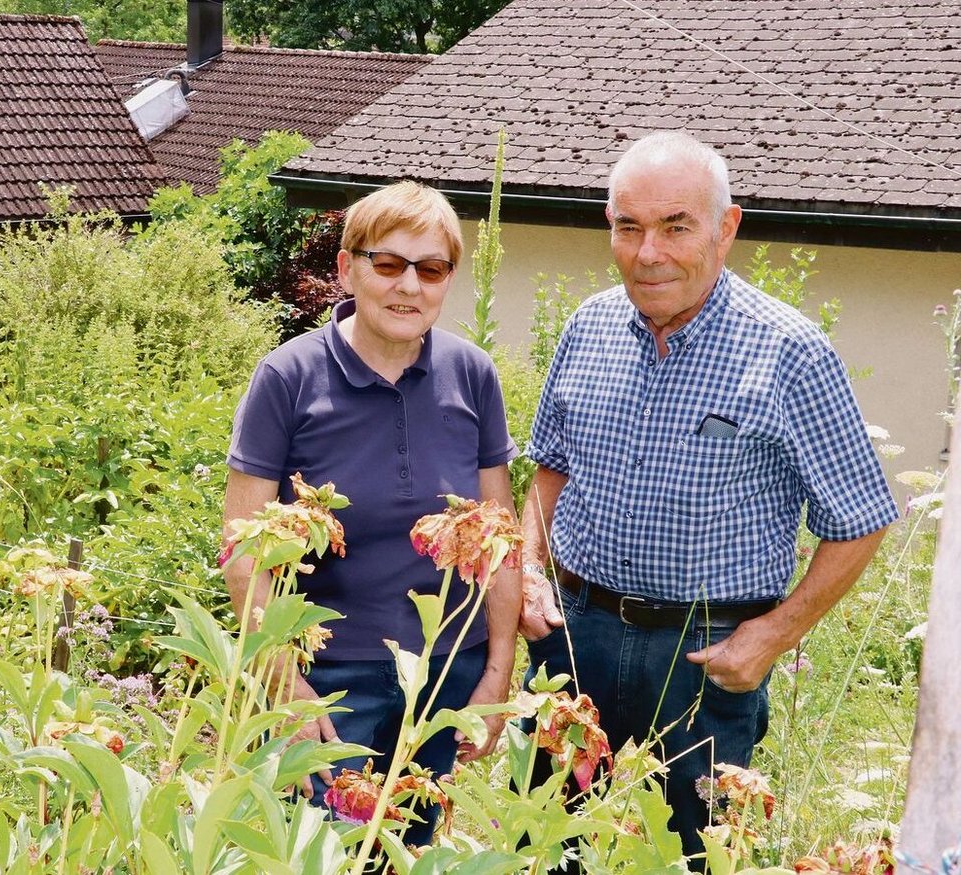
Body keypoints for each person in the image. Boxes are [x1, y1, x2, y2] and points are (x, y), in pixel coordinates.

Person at [517, 131, 898, 856]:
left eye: (675, 226)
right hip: (576, 640)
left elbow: (862, 518)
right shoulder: (587, 326)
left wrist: (771, 637)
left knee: (699, 856)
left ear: (726, 229)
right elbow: (551, 469)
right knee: (544, 845)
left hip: (703, 658)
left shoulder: (790, 352)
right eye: (629, 227)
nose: (648, 251)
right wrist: (529, 569)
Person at [223, 180, 522, 846]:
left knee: (418, 852)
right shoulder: (287, 378)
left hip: (447, 673)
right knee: (322, 852)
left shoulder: (473, 374)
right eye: (387, 264)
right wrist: (284, 684)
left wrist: (498, 675)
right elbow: (244, 549)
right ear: (346, 267)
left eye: (431, 268)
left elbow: (500, 539)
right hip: (330, 680)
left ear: (448, 279)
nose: (407, 286)